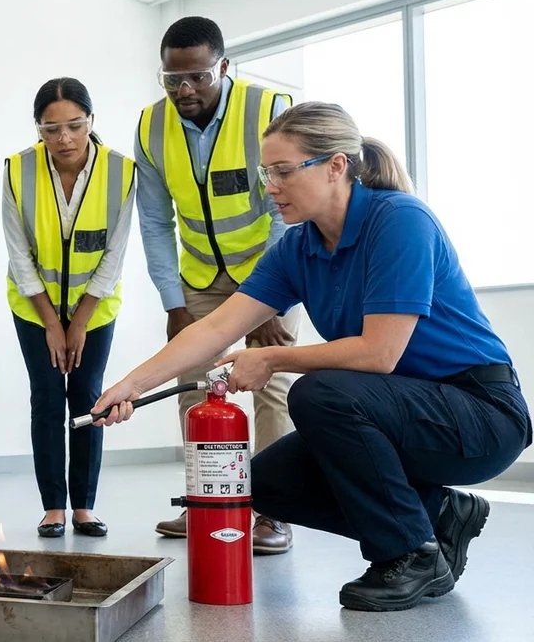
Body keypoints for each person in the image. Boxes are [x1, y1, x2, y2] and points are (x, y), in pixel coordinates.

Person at [92, 101, 532, 612]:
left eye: (282, 171)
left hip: (480, 413)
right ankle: (435, 517)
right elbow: (216, 327)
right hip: (403, 410)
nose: (269, 186)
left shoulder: (399, 221)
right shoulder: (297, 248)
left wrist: (274, 360)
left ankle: (409, 554)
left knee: (322, 393)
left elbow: (379, 353)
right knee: (269, 484)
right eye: (265, 172)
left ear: (336, 166)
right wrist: (131, 385)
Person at [133, 15, 300, 553]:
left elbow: (283, 210)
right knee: (194, 388)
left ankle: (274, 512)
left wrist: (270, 298)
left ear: (224, 67)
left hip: (269, 269)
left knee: (272, 387)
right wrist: (173, 301)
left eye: (198, 77)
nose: (184, 90)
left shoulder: (269, 112)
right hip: (200, 275)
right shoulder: (150, 126)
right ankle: (207, 503)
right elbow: (155, 221)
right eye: (172, 79)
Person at [2, 77, 136, 538]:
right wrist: (51, 324)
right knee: (46, 400)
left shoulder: (122, 171)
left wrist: (77, 323)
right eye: (51, 128)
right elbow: (19, 255)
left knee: (87, 400)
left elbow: (114, 255)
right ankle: (53, 508)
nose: (64, 139)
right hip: (32, 308)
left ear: (91, 121)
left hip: (94, 310)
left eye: (75, 126)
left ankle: (84, 506)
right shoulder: (16, 170)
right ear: (37, 127)